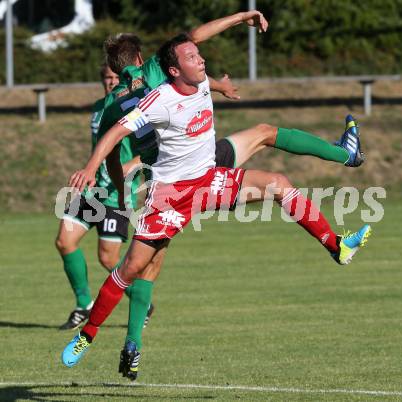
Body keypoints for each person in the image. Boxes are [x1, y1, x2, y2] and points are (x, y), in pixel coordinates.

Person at [61, 33, 372, 378]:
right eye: (192, 56)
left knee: (279, 183)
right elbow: (116, 133)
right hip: (169, 195)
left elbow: (197, 54)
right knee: (130, 269)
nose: (201, 59)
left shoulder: (195, 81)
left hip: (208, 179)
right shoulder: (157, 94)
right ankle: (87, 336)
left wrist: (221, 84)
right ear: (168, 69)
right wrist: (92, 170)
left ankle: (337, 246)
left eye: (198, 55)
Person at [55, 63, 155, 330]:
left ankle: (141, 300)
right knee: (65, 241)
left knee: (108, 258)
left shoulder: (132, 107)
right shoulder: (100, 107)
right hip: (92, 191)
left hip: (118, 195)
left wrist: (127, 167)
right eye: (106, 78)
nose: (111, 82)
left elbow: (147, 149)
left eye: (115, 77)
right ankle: (84, 304)